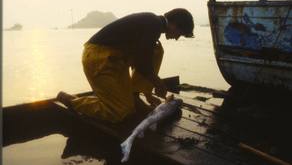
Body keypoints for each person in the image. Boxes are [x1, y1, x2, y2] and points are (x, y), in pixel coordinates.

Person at [57, 8, 194, 123]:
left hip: (116, 62)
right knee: (120, 112)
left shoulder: (153, 25)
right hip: (98, 60)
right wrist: (159, 84)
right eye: (180, 34)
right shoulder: (153, 24)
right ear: (174, 25)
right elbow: (142, 64)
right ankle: (73, 101)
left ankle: (134, 95)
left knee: (156, 50)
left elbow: (142, 57)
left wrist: (148, 93)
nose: (177, 38)